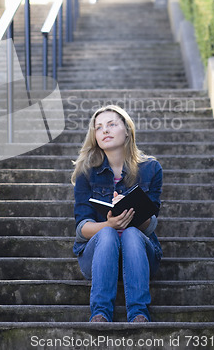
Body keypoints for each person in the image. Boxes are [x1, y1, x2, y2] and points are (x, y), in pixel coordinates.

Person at [71, 104, 163, 323]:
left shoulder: (150, 169)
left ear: (127, 130)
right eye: (99, 127)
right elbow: (82, 229)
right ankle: (100, 313)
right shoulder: (86, 172)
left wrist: (130, 215)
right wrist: (110, 225)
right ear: (94, 135)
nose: (105, 130)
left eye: (112, 124)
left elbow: (150, 225)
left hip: (140, 255)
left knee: (131, 233)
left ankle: (139, 312)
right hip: (97, 256)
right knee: (107, 234)